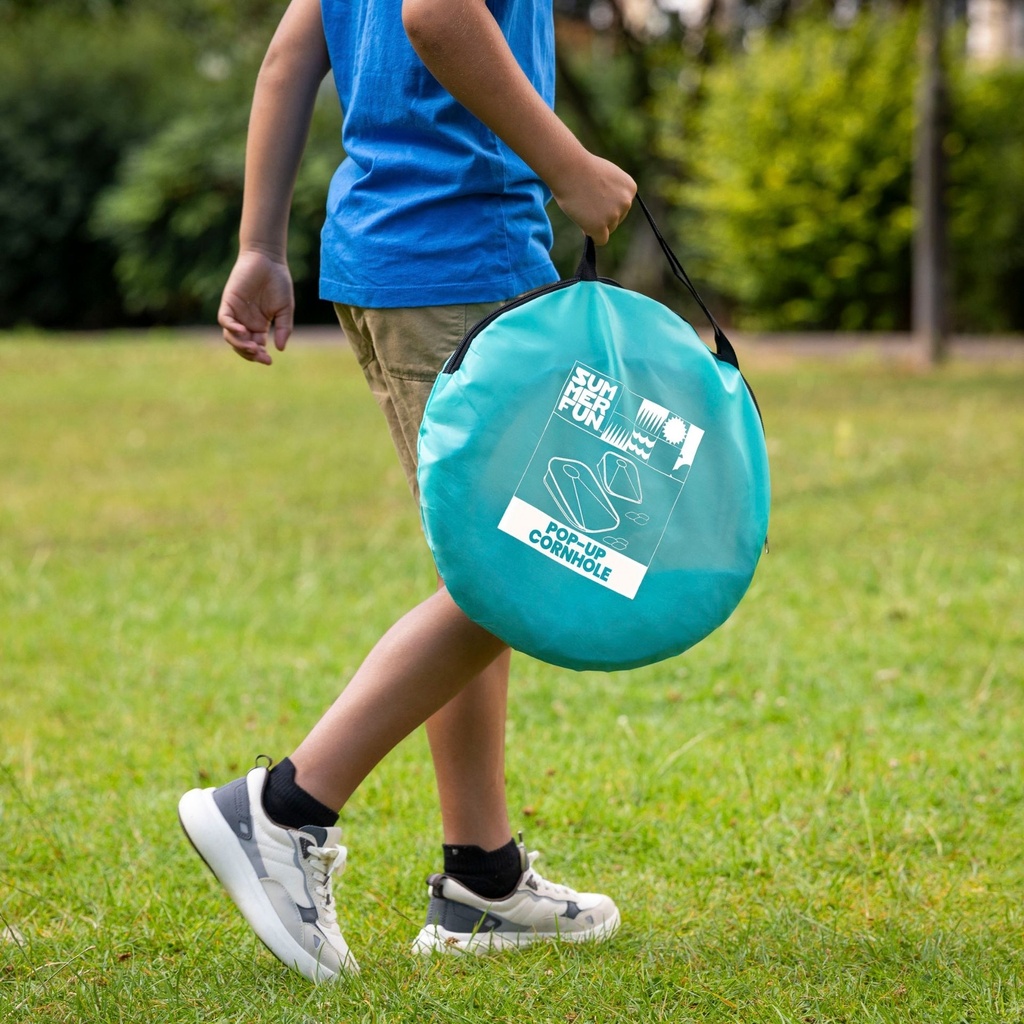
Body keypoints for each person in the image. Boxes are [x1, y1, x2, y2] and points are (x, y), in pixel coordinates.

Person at [177, 0, 636, 983]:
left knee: (481, 563)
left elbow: (295, 47)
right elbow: (435, 15)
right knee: (520, 557)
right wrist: (568, 166)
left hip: (396, 260)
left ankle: (482, 878)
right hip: (462, 258)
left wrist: (259, 244)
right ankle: (285, 805)